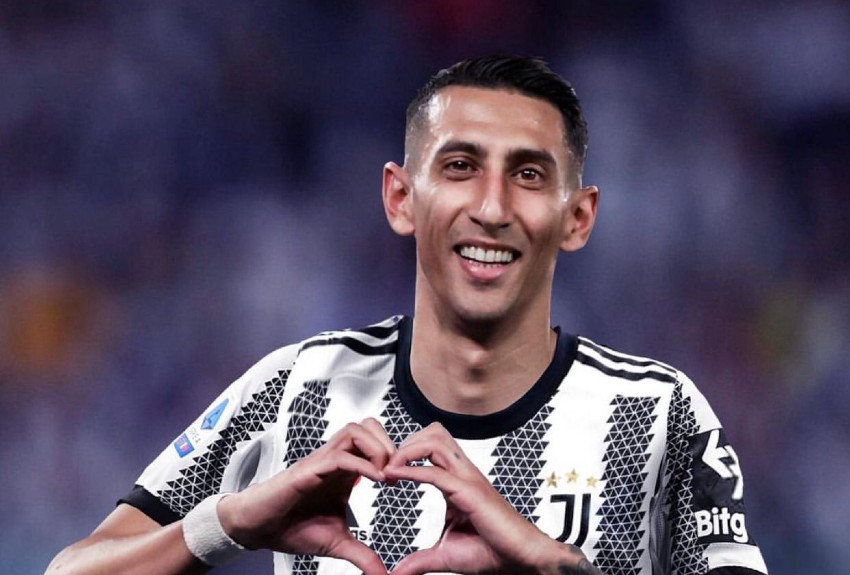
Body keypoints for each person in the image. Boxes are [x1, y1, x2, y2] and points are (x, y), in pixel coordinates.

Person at [46, 56, 768, 575]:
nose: (491, 207)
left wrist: (548, 563)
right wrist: (226, 523)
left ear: (577, 217)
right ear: (401, 199)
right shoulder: (298, 387)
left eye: (527, 174)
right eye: (459, 166)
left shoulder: (656, 413)